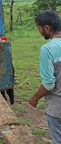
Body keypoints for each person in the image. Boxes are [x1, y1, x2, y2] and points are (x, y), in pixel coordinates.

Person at [29, 10, 61, 144]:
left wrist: (34, 98)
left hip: (57, 108)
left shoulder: (48, 49)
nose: (39, 32)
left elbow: (49, 84)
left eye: (39, 28)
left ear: (47, 28)